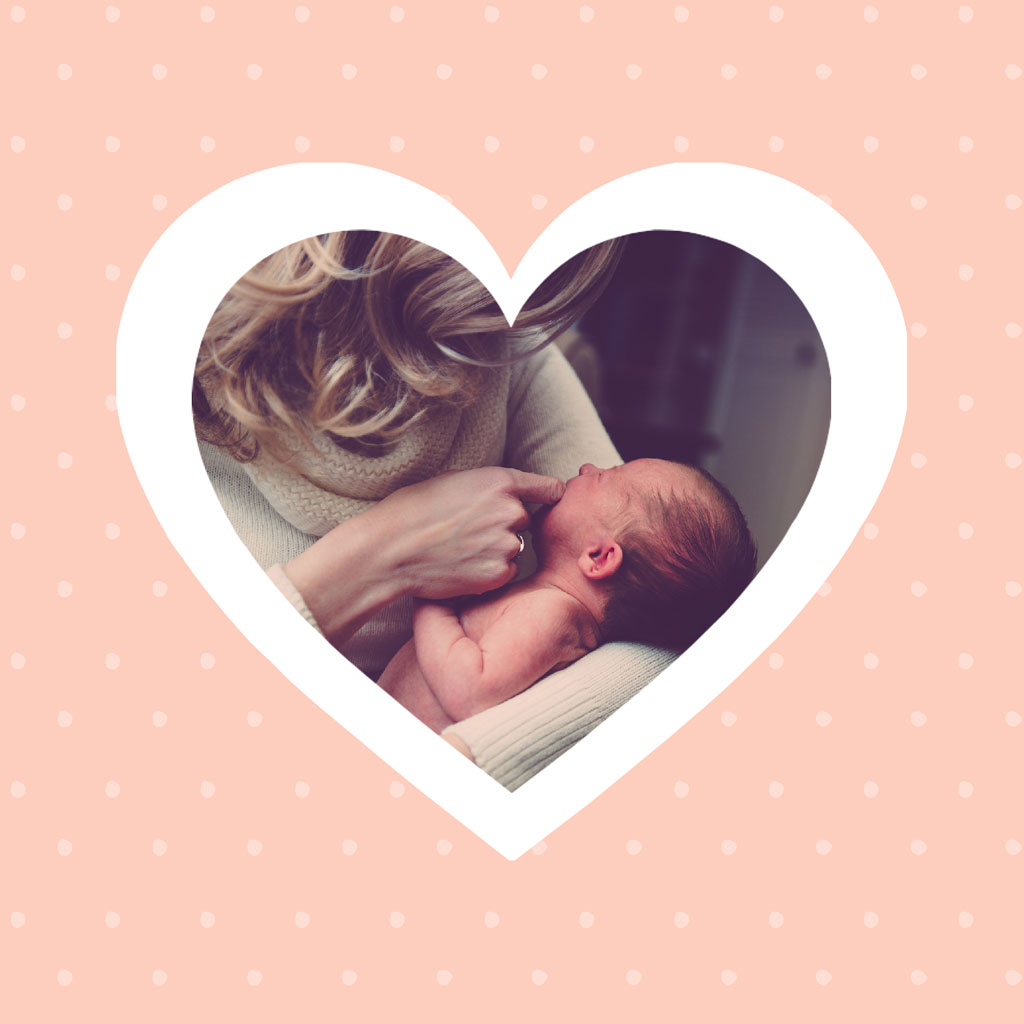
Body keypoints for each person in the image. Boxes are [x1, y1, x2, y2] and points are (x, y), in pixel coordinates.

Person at [194, 231, 682, 789]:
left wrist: (457, 767)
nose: (590, 469)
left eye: (605, 478)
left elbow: (672, 634)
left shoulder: (509, 344)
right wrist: (397, 553)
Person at [377, 460, 757, 731]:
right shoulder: (548, 603)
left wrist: (432, 596)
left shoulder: (552, 615)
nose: (586, 466)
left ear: (599, 557)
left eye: (603, 477)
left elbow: (468, 693)